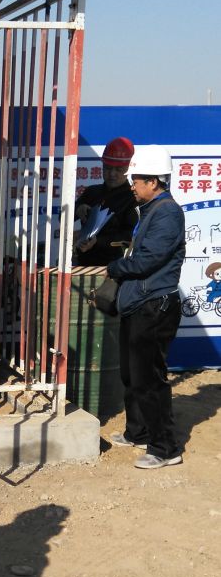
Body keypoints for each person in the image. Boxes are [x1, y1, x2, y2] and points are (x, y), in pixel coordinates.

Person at [106, 144, 184, 469]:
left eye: (136, 180)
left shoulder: (167, 212)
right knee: (131, 374)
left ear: (153, 181)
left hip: (155, 306)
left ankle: (165, 448)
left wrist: (116, 267)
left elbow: (148, 260)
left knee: (149, 379)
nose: (132, 186)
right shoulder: (150, 210)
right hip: (139, 304)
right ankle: (137, 431)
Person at [74, 136, 138, 265]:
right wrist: (77, 209)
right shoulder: (91, 192)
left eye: (119, 169)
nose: (112, 174)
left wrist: (98, 241)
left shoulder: (133, 198)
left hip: (115, 265)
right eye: (108, 168)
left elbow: (131, 235)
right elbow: (62, 217)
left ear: (129, 168)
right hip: (83, 263)